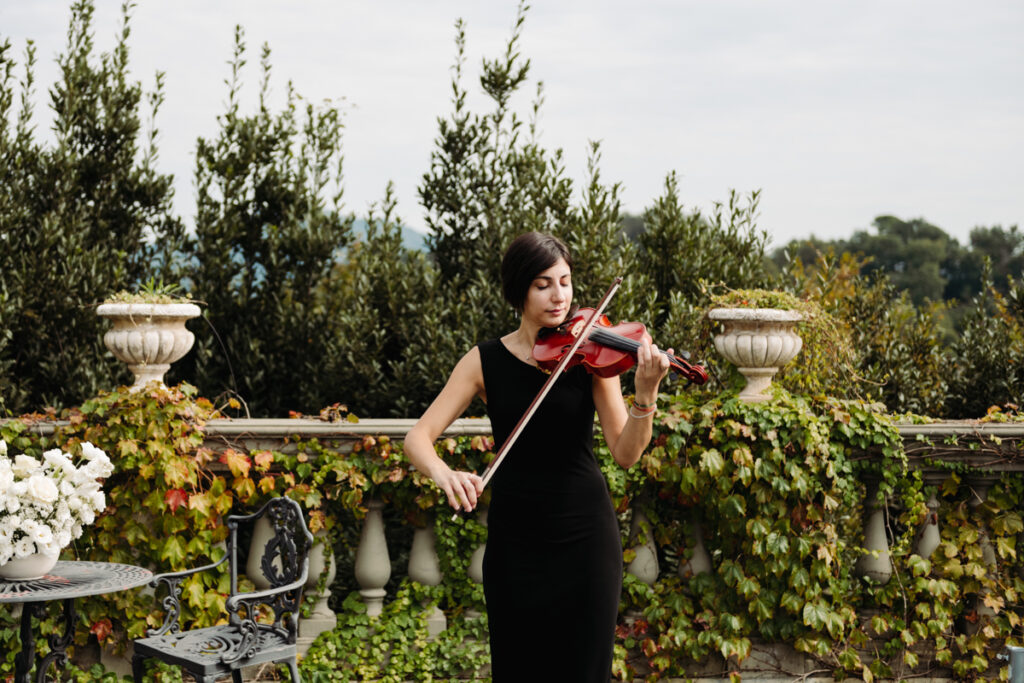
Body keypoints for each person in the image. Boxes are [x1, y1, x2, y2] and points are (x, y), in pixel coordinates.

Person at [404, 232, 672, 682]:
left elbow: (626, 453)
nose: (559, 296)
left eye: (565, 282)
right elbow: (418, 438)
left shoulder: (591, 353)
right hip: (516, 544)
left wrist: (645, 396)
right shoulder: (483, 361)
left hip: (586, 537)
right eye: (543, 284)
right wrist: (444, 474)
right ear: (519, 289)